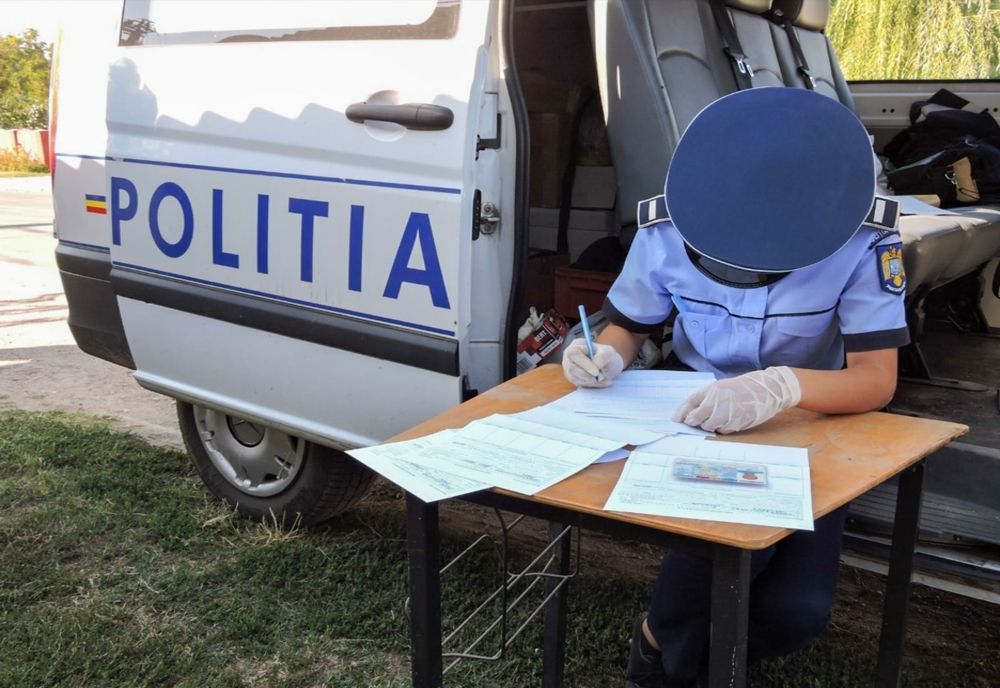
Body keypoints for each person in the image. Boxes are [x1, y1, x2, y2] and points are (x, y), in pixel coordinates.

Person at [561, 87, 909, 687]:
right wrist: (604, 356)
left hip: (809, 418)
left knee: (797, 612)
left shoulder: (861, 240)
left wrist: (781, 387)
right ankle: (660, 656)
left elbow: (876, 381)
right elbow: (628, 327)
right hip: (695, 415)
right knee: (720, 556)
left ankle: (692, 652)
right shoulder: (668, 226)